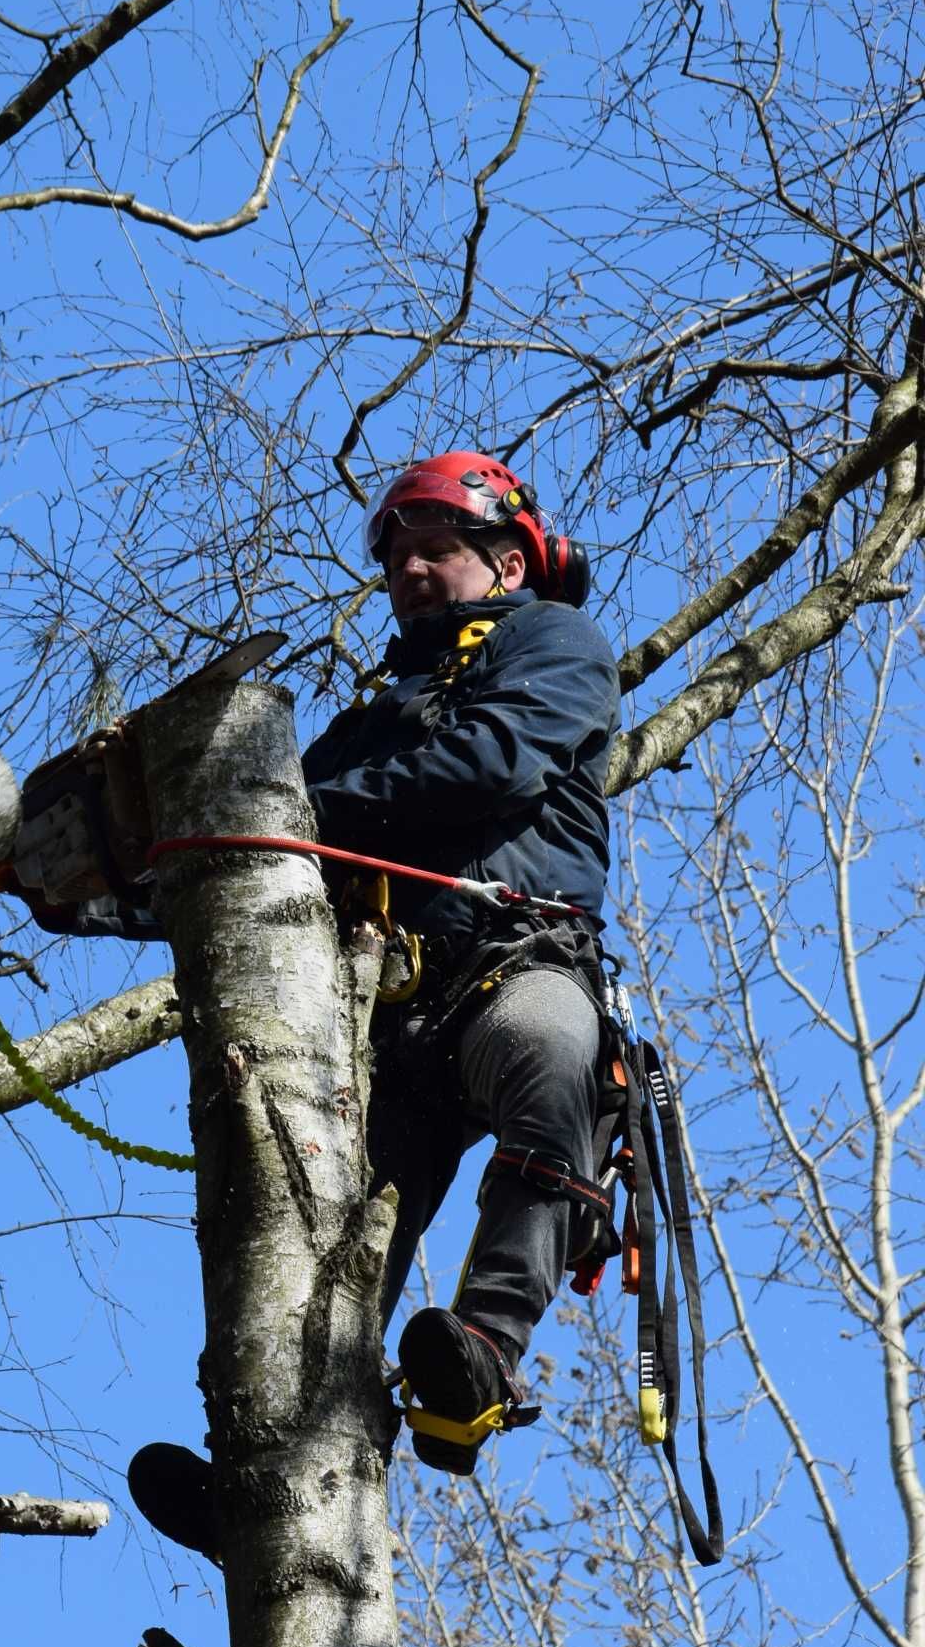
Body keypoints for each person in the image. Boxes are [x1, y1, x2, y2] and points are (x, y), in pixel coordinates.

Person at [125, 451, 622, 1557]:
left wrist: (302, 818)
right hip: (377, 1016)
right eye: (393, 554)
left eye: (431, 548)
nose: (405, 567)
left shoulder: (551, 645)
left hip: (507, 957)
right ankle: (267, 1479)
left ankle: (480, 1356)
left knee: (547, 1061)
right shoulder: (366, 719)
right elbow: (252, 841)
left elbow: (489, 765)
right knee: (313, 1231)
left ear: (504, 559)